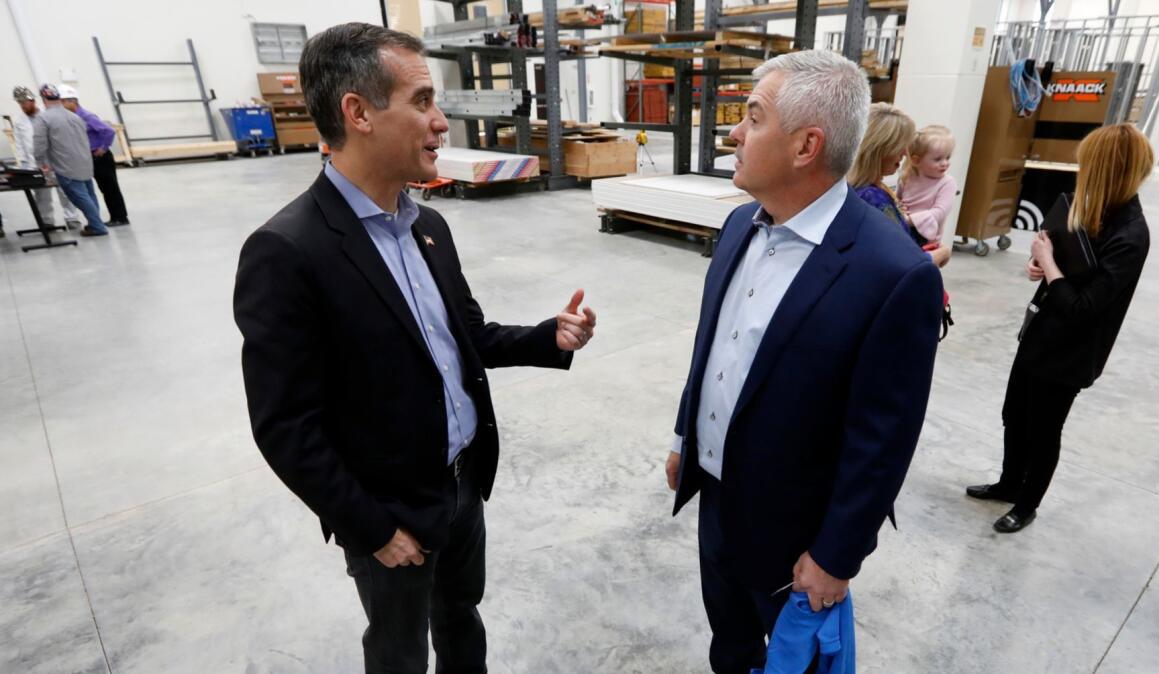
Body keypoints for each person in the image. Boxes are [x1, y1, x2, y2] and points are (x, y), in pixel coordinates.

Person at [232, 23, 598, 674]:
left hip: (462, 487)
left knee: (461, 619)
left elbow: (465, 337)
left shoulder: (427, 225)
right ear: (359, 113)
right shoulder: (287, 252)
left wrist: (549, 336)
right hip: (389, 513)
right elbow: (285, 426)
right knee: (400, 652)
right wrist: (370, 528)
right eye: (423, 101)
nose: (440, 124)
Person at [664, 50, 943, 674]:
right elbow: (714, 346)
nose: (733, 132)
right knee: (730, 647)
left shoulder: (893, 274)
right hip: (717, 497)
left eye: (752, 117)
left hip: (797, 538)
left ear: (804, 146)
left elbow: (884, 439)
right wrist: (688, 435)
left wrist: (837, 556)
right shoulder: (739, 226)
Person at [966, 123, 1154, 533]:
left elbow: (1083, 309)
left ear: (1107, 169)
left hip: (1072, 352)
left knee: (1044, 429)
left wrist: (1048, 263)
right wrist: (1043, 265)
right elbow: (1068, 272)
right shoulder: (1091, 211)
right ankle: (1009, 483)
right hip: (1041, 334)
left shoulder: (1131, 235)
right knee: (1014, 414)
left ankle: (1027, 504)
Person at [848, 103, 951, 267]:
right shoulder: (873, 198)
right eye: (900, 146)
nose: (905, 153)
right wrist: (941, 254)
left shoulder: (856, 188)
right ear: (880, 150)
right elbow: (903, 262)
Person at [31, 84, 107, 237]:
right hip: (85, 162)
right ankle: (94, 223)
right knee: (89, 195)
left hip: (66, 166)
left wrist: (41, 163)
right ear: (58, 97)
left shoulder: (44, 118)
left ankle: (98, 227)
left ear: (43, 98)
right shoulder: (75, 116)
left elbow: (39, 143)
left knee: (79, 197)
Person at [10, 85, 84, 229]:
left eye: (25, 102)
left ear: (33, 101)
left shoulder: (47, 115)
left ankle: (72, 218)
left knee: (64, 190)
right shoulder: (19, 121)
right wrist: (24, 164)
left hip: (56, 160)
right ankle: (47, 221)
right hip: (35, 163)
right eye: (20, 103)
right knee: (41, 195)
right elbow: (20, 145)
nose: (23, 106)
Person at [60, 85, 130, 226]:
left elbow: (108, 131)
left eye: (63, 102)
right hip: (89, 157)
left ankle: (120, 217)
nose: (61, 105)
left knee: (109, 188)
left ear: (72, 101)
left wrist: (103, 148)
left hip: (100, 158)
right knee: (100, 188)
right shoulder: (73, 117)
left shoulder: (86, 116)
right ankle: (109, 217)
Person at [897, 124, 956, 244]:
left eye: (947, 157)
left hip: (926, 240)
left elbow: (940, 212)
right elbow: (896, 199)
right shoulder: (907, 177)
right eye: (938, 159)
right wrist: (898, 207)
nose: (945, 163)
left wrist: (910, 220)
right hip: (901, 229)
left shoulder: (947, 183)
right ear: (916, 160)